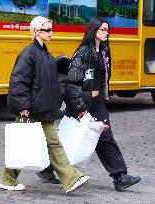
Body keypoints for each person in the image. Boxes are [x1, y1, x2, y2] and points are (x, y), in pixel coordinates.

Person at [39, 17, 141, 192]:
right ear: (94, 30)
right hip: (81, 102)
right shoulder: (83, 52)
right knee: (67, 137)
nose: (106, 33)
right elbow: (72, 82)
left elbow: (103, 77)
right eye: (102, 29)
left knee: (105, 136)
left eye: (107, 30)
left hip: (97, 102)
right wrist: (81, 107)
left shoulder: (104, 50)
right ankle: (47, 168)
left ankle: (119, 176)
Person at [0, 16, 89, 193]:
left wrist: (56, 104)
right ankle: (70, 178)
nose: (51, 32)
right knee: (42, 143)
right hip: (31, 109)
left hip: (43, 108)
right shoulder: (29, 53)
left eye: (51, 29)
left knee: (34, 144)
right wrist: (23, 106)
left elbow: (49, 84)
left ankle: (7, 178)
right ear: (37, 31)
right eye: (47, 29)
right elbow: (18, 81)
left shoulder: (44, 54)